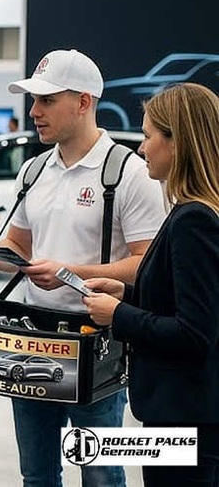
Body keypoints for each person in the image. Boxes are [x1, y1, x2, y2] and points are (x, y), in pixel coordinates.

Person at [0, 49, 167, 487]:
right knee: (35, 473)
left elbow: (148, 263)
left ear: (84, 102)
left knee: (102, 473)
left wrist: (70, 272)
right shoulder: (34, 171)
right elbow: (19, 243)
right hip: (32, 337)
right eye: (34, 100)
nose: (34, 112)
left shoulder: (127, 173)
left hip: (96, 343)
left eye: (47, 100)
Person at [82, 83, 219, 487]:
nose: (141, 149)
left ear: (178, 141)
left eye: (147, 136)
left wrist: (120, 314)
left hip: (186, 416)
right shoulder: (196, 213)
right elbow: (190, 299)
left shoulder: (194, 221)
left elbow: (195, 332)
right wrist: (129, 293)